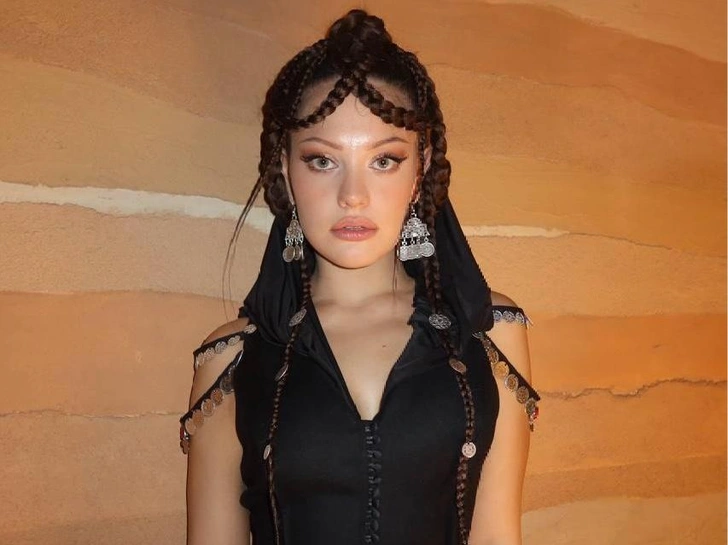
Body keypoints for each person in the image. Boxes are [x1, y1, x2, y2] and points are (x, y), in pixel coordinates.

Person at [180, 9, 540, 545]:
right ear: (285, 170)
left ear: (421, 169)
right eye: (322, 161)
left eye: (384, 161)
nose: (353, 196)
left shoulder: (488, 331)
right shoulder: (232, 360)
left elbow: (496, 535)